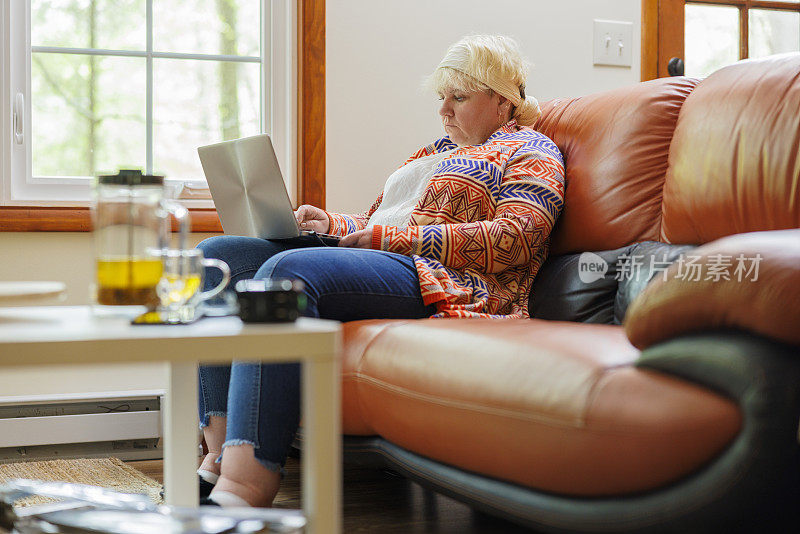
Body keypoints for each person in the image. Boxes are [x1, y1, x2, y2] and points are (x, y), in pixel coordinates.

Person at [195, 34, 565, 507]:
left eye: (459, 97)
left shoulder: (531, 150)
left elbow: (517, 239)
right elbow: (381, 220)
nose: (444, 111)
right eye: (441, 98)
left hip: (443, 279)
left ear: (502, 101)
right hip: (385, 255)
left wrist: (391, 240)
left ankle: (243, 489)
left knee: (284, 272)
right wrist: (330, 224)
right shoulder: (432, 152)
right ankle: (216, 457)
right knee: (217, 256)